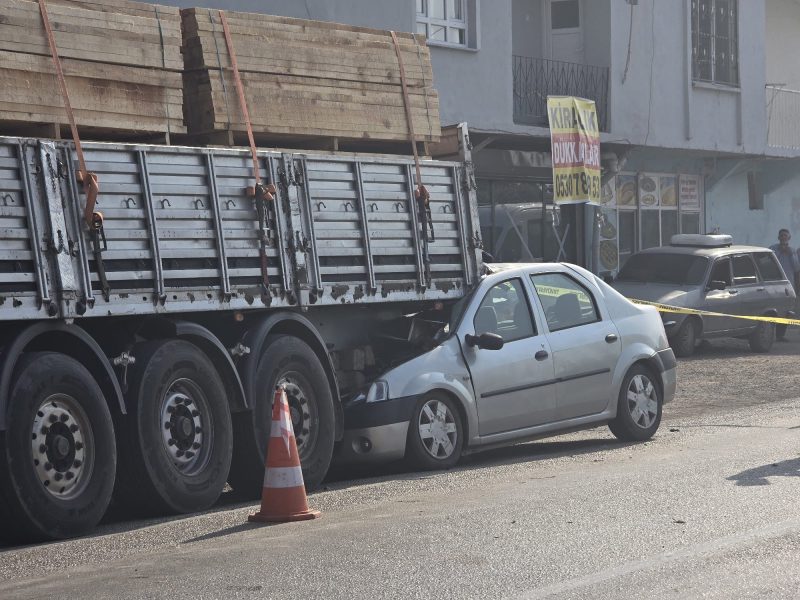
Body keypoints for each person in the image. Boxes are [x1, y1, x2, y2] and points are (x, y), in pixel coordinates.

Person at [770, 229, 800, 340]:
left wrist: (790, 254)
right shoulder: (773, 249)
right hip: (774, 284)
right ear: (778, 237)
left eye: (785, 236)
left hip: (788, 286)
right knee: (772, 309)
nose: (783, 238)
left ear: (789, 238)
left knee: (787, 311)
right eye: (781, 235)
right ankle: (769, 334)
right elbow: (769, 263)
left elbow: (796, 268)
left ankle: (780, 335)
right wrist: (780, 252)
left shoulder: (793, 251)